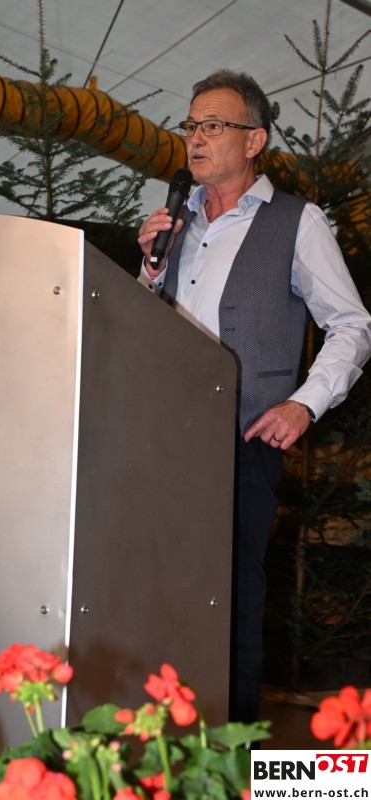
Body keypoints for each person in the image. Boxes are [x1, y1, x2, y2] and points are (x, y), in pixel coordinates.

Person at [137, 69, 371, 725]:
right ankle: (162, 747)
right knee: (158, 592)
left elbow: (352, 325)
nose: (196, 137)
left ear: (254, 140)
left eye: (213, 125)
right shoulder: (174, 223)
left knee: (231, 598)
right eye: (191, 125)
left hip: (241, 440)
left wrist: (304, 403)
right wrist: (149, 267)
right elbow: (140, 328)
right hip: (161, 441)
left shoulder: (296, 221)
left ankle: (232, 752)